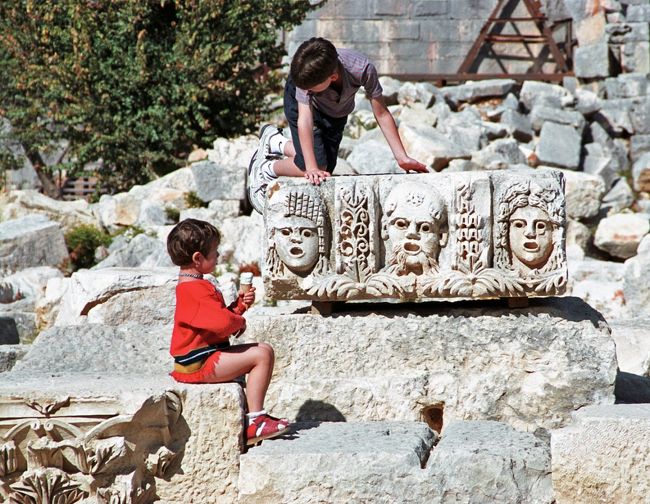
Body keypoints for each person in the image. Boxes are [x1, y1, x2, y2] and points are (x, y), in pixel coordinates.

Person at [247, 37, 428, 213]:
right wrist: (310, 168)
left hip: (336, 112)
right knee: (317, 167)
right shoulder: (305, 80)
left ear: (333, 77)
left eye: (311, 89)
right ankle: (266, 169)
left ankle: (276, 142)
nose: (308, 91)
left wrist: (402, 157)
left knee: (326, 169)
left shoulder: (362, 69)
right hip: (302, 109)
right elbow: (305, 119)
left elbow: (381, 113)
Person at [166, 218, 289, 445]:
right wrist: (239, 320)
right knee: (263, 354)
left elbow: (217, 318)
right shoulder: (193, 289)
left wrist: (240, 306)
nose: (219, 255)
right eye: (214, 252)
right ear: (198, 258)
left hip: (199, 359)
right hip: (198, 365)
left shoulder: (194, 285)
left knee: (262, 350)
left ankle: (256, 418)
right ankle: (256, 421)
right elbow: (223, 324)